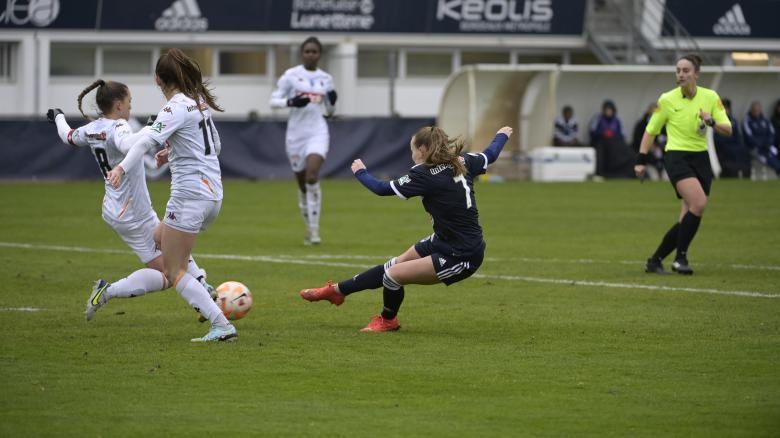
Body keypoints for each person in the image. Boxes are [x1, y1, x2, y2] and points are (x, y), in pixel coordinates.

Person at [298, 125, 513, 332]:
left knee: (392, 275)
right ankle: (336, 291)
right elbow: (490, 154)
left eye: (412, 150)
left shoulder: (424, 175)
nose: (412, 155)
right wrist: (501, 135)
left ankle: (388, 320)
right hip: (445, 239)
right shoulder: (462, 160)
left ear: (422, 150)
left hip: (462, 254)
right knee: (392, 266)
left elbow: (382, 189)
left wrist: (360, 172)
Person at [46, 79, 213, 321]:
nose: (130, 108)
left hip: (117, 209)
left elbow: (68, 136)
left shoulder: (92, 128)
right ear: (117, 105)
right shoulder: (119, 126)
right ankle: (109, 291)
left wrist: (59, 117)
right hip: (133, 212)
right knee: (170, 272)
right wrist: (153, 128)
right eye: (129, 102)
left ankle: (202, 287)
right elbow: (126, 143)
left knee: (172, 246)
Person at [106, 48, 236, 342]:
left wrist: (121, 170)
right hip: (213, 196)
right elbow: (214, 146)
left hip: (189, 196)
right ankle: (204, 288)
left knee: (173, 270)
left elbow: (140, 146)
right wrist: (173, 151)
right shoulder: (198, 102)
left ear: (158, 80)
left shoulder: (175, 106)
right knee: (157, 237)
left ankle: (221, 324)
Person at [636, 54, 732, 275]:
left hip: (701, 158)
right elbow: (650, 131)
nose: (680, 74)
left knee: (686, 218)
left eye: (686, 71)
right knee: (699, 203)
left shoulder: (710, 97)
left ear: (696, 74)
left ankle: (655, 260)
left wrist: (711, 121)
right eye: (678, 70)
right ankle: (680, 259)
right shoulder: (667, 99)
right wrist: (641, 160)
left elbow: (728, 129)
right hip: (676, 157)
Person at [269, 36, 337, 246]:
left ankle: (315, 231)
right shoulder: (291, 76)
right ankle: (308, 224)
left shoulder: (326, 79)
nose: (311, 54)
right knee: (302, 183)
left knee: (312, 176)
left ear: (320, 54)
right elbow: (273, 101)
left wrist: (332, 101)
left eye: (314, 51)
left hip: (317, 131)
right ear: (302, 53)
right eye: (307, 51)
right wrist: (291, 101)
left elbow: (329, 110)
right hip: (295, 135)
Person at [590, 99, 632, 178]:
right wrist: (603, 133)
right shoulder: (597, 119)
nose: (608, 112)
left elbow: (621, 134)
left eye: (610, 110)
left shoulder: (617, 121)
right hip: (601, 142)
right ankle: (599, 172)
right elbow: (592, 132)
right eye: (607, 110)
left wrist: (613, 134)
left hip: (614, 143)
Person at [713, 98, 750, 178]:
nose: (726, 110)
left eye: (727, 108)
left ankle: (743, 172)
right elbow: (715, 137)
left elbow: (738, 136)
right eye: (724, 108)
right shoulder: (715, 120)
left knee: (743, 150)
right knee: (730, 151)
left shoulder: (733, 120)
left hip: (733, 143)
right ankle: (731, 172)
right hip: (721, 144)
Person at [742, 100, 780, 175]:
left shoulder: (765, 120)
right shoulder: (747, 121)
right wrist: (762, 144)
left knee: (775, 153)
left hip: (768, 147)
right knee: (767, 159)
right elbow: (749, 137)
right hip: (755, 149)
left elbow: (771, 133)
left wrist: (768, 143)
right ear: (751, 110)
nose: (756, 112)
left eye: (757, 110)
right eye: (754, 110)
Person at [631, 102, 667, 180]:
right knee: (654, 177)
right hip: (647, 158)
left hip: (662, 157)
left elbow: (666, 138)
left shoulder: (663, 125)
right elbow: (637, 140)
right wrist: (649, 146)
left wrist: (659, 146)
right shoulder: (641, 125)